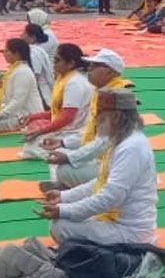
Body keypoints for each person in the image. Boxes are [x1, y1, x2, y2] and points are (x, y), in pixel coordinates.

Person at [36, 88, 159, 244]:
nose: (96, 118)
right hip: (114, 219)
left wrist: (64, 210)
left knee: (61, 227)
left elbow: (110, 197)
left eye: (100, 114)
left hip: (131, 232)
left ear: (115, 117)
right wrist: (65, 197)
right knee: (63, 223)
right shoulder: (118, 139)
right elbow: (101, 182)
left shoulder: (131, 147)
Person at [41, 49, 130, 188]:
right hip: (98, 152)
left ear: (111, 72)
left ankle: (74, 186)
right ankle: (73, 185)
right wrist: (62, 142)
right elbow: (92, 133)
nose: (90, 69)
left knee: (64, 168)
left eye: (95, 66)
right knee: (61, 155)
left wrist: (70, 157)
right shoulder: (102, 93)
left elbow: (103, 142)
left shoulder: (113, 98)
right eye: (90, 66)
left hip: (115, 163)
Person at [22, 44, 95, 149]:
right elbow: (60, 111)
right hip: (67, 129)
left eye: (57, 61)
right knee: (33, 130)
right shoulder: (64, 79)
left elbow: (67, 117)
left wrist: (40, 131)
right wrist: (33, 117)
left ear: (70, 64)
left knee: (33, 144)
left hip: (74, 132)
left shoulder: (74, 83)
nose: (53, 64)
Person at [0, 39, 46, 133]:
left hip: (28, 116)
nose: (4, 54)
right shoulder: (15, 70)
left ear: (16, 54)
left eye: (7, 51)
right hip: (18, 112)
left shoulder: (23, 72)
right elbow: (9, 97)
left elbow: (17, 101)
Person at [24, 24, 56, 105]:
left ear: (32, 38)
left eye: (24, 34)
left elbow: (35, 76)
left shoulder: (34, 53)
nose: (21, 36)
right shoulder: (36, 49)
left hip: (41, 94)